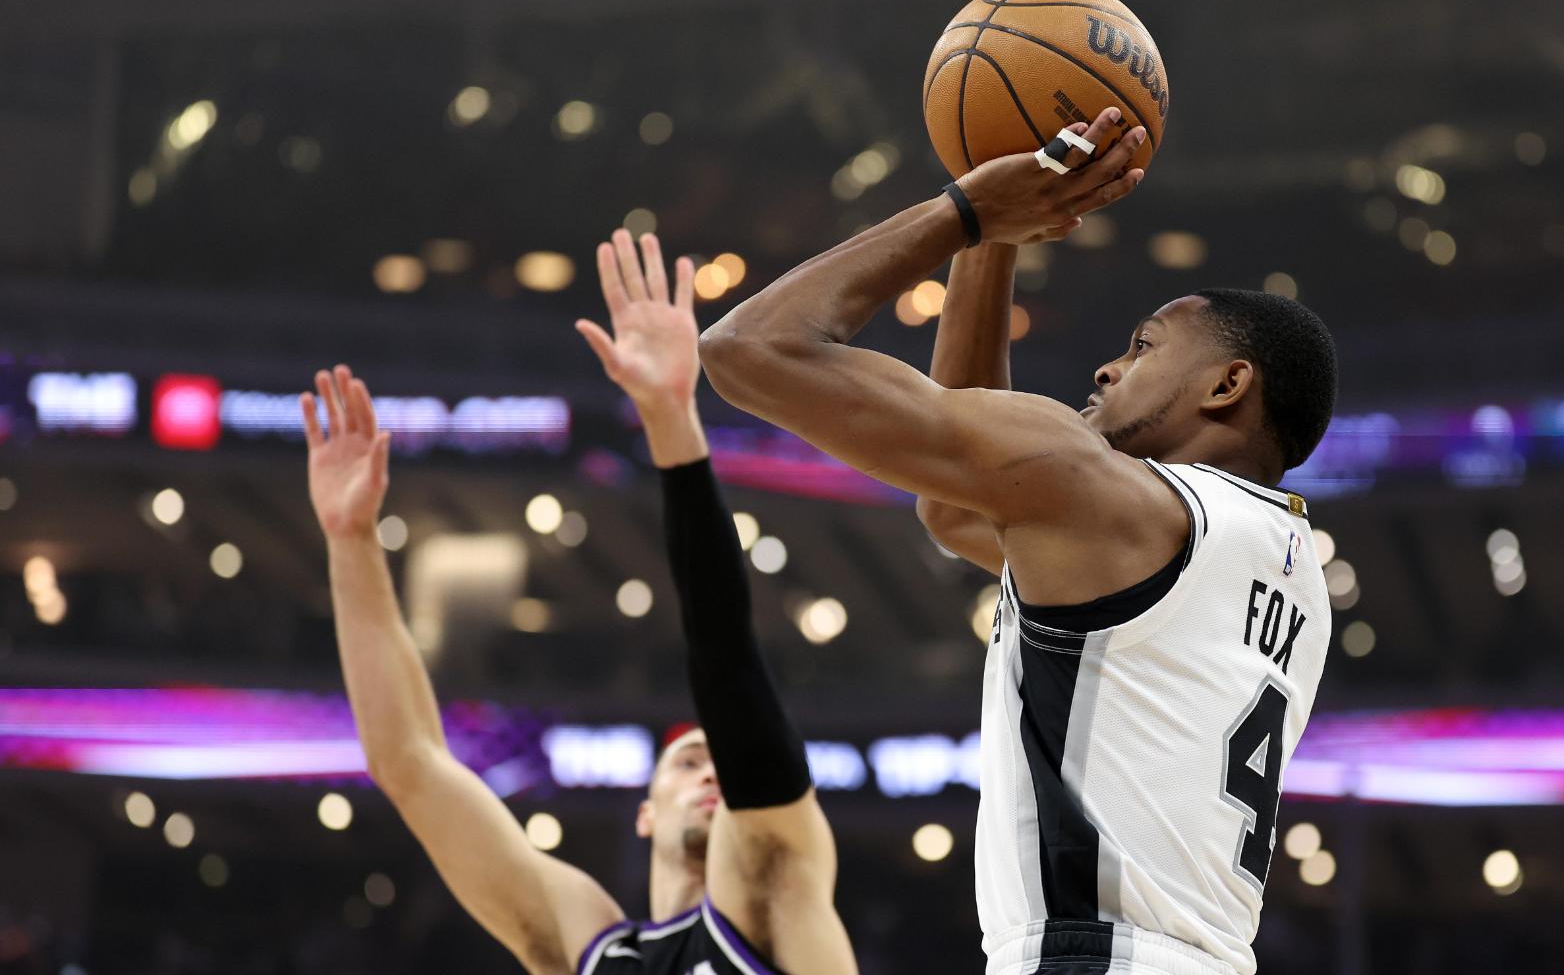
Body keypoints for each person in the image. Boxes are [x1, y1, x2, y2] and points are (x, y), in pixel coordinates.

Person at [699, 109, 1338, 975]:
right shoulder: (1280, 560)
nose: (1108, 369)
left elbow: (748, 348)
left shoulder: (1109, 500)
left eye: (1144, 346)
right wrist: (992, 246)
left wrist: (963, 211)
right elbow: (957, 510)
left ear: (1227, 386)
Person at [302, 231, 855, 975]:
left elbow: (725, 653)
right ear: (646, 812)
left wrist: (671, 421)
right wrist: (350, 540)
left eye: (717, 752)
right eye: (688, 760)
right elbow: (410, 762)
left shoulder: (778, 883)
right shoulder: (589, 949)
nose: (712, 767)